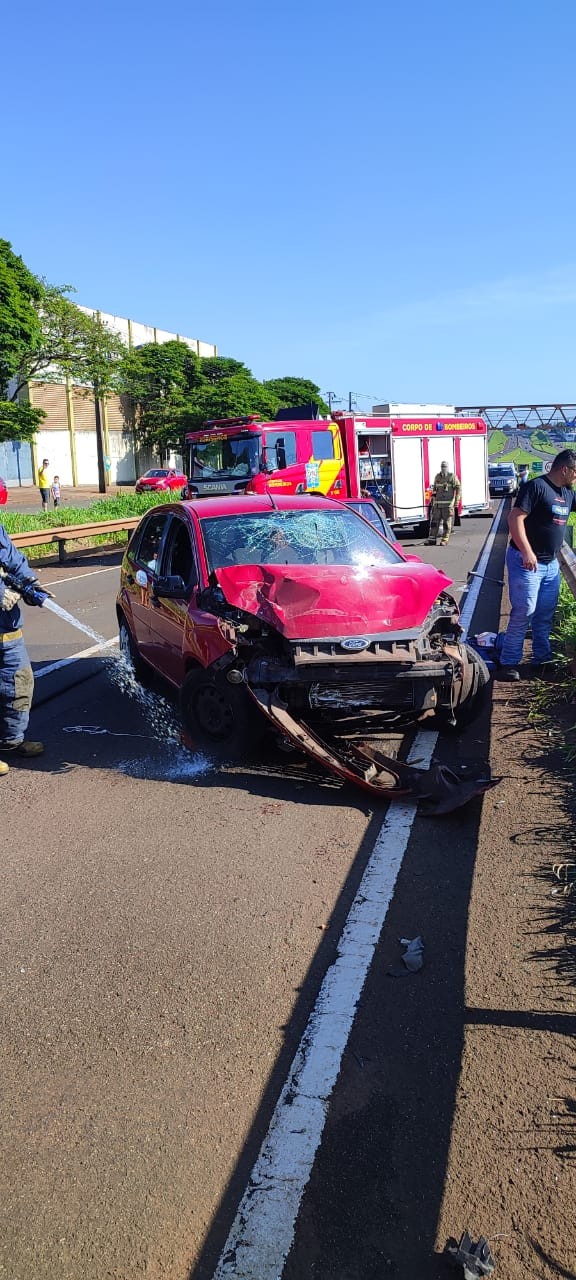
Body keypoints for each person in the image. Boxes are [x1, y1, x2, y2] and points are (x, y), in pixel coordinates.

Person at [498, 449, 576, 681]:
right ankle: (509, 662)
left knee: (544, 614)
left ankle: (542, 658)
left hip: (551, 564)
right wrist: (527, 551)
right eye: (575, 471)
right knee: (524, 612)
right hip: (527, 562)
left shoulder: (567, 493)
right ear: (565, 469)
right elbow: (515, 518)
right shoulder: (536, 487)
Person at [0, 524, 50, 776]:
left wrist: (31, 584)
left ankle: (11, 740)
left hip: (7, 629)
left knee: (19, 682)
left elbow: (13, 560)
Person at [426, 461, 462, 546]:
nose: (443, 468)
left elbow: (458, 489)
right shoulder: (437, 477)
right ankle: (432, 539)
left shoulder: (452, 477)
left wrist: (456, 501)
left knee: (446, 524)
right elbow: (434, 490)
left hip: (448, 505)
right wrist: (433, 501)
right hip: (437, 505)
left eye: (445, 467)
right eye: (442, 467)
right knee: (434, 523)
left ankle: (444, 540)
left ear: (448, 467)